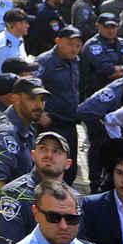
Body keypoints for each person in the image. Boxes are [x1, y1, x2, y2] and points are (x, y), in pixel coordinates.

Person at [0, 131, 74, 244]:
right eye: (43, 149)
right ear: (33, 155)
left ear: (68, 163)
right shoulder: (14, 194)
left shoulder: (75, 199)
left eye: (57, 151)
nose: (49, 155)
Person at [36, 26, 84, 180]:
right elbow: (32, 88)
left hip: (70, 122)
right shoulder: (45, 62)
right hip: (53, 122)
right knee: (51, 166)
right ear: (58, 41)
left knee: (70, 167)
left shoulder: (75, 61)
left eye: (78, 45)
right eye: (70, 44)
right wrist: (40, 114)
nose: (74, 49)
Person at [0, 76, 50, 187]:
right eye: (32, 99)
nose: (39, 105)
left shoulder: (27, 123)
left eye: (42, 99)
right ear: (16, 99)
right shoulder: (7, 133)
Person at [80, 12, 123, 97]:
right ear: (98, 26)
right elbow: (109, 72)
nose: (110, 30)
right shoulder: (93, 46)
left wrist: (122, 69)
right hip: (101, 93)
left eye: (113, 27)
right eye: (106, 27)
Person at [0, 7, 32, 78]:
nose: (28, 26)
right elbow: (0, 77)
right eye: (26, 23)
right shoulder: (3, 45)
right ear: (18, 25)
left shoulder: (17, 38)